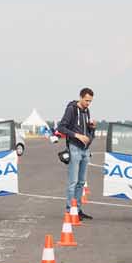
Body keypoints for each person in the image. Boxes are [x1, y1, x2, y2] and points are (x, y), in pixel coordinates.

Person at [56, 87, 96, 218]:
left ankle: (77, 209)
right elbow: (61, 127)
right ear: (80, 97)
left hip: (85, 150)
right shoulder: (71, 109)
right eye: (86, 100)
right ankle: (70, 210)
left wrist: (92, 128)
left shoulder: (86, 111)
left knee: (81, 182)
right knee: (73, 182)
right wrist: (77, 136)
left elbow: (86, 130)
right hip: (74, 148)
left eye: (90, 101)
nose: (88, 103)